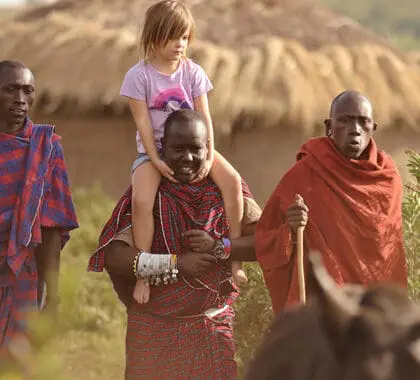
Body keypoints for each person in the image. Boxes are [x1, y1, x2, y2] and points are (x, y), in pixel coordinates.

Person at [88, 109, 261, 379]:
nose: (187, 158)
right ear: (162, 149)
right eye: (177, 148)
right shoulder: (147, 194)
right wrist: (176, 264)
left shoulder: (227, 193)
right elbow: (116, 257)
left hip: (213, 326)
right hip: (154, 331)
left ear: (208, 149)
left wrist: (219, 246)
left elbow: (262, 243)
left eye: (195, 149)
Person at [120, 0, 246, 305]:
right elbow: (143, 124)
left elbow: (205, 117)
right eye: (173, 37)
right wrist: (155, 160)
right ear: (153, 36)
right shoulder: (139, 76)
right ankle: (144, 273)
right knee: (141, 201)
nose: (180, 44)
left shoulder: (192, 72)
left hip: (195, 149)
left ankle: (235, 261)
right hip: (155, 153)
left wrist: (209, 153)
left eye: (185, 37)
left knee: (233, 182)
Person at [255, 90, 407, 314]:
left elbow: (388, 252)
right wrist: (291, 229)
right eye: (345, 121)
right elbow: (265, 238)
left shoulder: (387, 178)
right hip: (323, 306)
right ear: (329, 127)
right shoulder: (305, 173)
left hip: (375, 307)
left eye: (363, 122)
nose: (355, 130)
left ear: (373, 129)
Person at [0, 61, 78, 364]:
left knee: (17, 365)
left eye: (27, 91)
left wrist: (52, 299)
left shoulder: (45, 148)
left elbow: (51, 229)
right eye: (10, 89)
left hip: (23, 279)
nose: (20, 99)